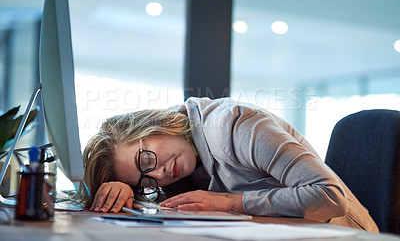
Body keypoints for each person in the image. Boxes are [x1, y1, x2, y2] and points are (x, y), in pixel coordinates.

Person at [76, 97, 379, 233]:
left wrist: (229, 202)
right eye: (145, 179)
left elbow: (330, 196)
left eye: (146, 159)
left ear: (154, 126)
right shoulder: (181, 155)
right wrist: (126, 192)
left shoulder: (237, 124)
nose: (159, 174)